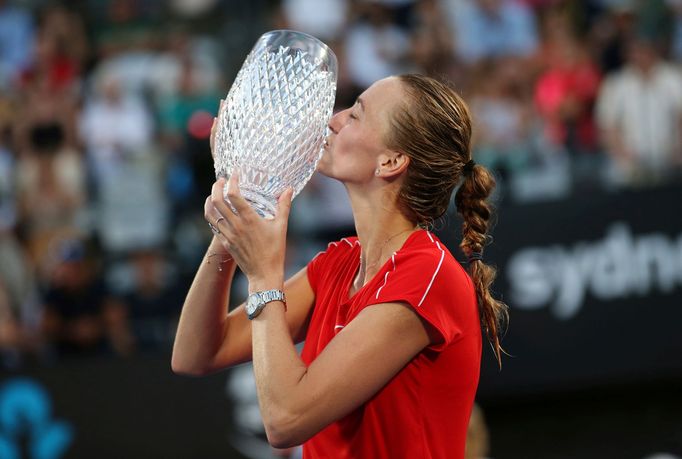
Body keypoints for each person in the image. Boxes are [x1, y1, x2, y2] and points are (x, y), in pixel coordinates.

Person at [172, 74, 507, 458]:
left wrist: (264, 276)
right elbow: (196, 353)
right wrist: (235, 217)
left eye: (355, 114)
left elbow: (284, 420)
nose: (333, 118)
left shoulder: (426, 277)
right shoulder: (340, 261)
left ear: (391, 161)